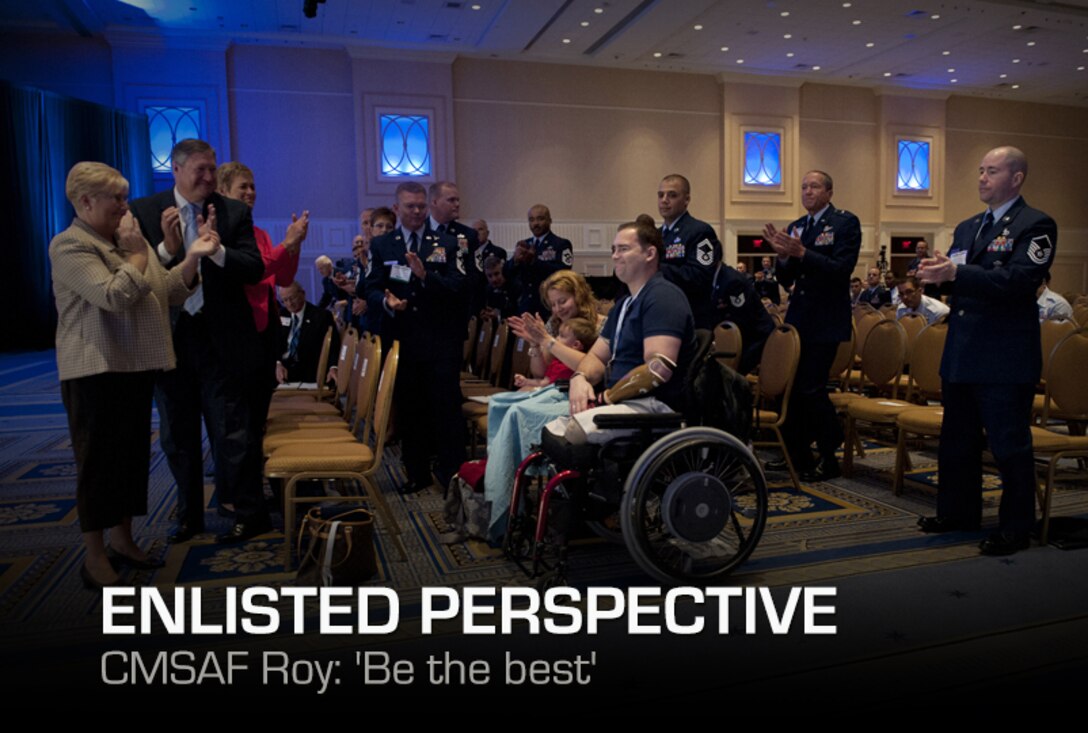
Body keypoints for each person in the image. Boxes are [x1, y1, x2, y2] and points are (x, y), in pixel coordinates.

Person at [50, 161, 218, 587]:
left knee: (129, 462)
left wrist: (192, 259)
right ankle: (94, 556)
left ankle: (123, 540)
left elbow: (167, 290)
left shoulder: (125, 243)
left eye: (125, 197)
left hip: (133, 366)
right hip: (94, 371)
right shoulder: (70, 246)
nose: (125, 207)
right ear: (86, 201)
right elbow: (115, 296)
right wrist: (141, 254)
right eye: (117, 199)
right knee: (97, 464)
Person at [917, 145, 1057, 556]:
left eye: (991, 171)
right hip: (963, 349)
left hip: (1003, 356)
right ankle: (958, 513)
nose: (981, 177)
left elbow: (1018, 279)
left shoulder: (1036, 225)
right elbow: (959, 281)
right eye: (980, 170)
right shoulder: (967, 227)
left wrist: (957, 272)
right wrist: (935, 275)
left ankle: (1016, 527)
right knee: (956, 441)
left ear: (1016, 178)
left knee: (1008, 445)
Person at [129, 138, 267, 544]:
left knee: (232, 432)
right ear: (176, 170)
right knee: (178, 436)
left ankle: (249, 512)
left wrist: (218, 250)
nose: (208, 177)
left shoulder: (233, 212)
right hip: (170, 339)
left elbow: (254, 267)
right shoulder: (144, 211)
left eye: (212, 169)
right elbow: (140, 273)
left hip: (220, 340)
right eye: (200, 170)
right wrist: (168, 251)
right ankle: (189, 516)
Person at [216, 161, 308, 517]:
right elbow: (253, 270)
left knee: (255, 422)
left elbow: (282, 275)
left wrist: (294, 245)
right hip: (236, 335)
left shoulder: (258, 234)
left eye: (252, 186)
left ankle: (250, 493)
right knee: (238, 426)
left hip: (262, 334)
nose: (251, 193)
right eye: (243, 187)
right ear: (224, 191)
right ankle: (239, 498)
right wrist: (287, 242)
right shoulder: (222, 232)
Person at [364, 181, 466, 494]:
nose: (417, 212)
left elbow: (458, 287)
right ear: (397, 209)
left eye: (421, 206)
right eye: (410, 206)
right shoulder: (383, 245)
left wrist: (425, 276)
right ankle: (417, 472)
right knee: (411, 411)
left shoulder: (446, 243)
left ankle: (453, 475)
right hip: (403, 341)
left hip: (441, 343)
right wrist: (386, 301)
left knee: (446, 410)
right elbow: (367, 287)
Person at [483, 270, 601, 535]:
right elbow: (540, 372)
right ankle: (510, 490)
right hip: (553, 388)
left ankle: (510, 499)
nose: (558, 309)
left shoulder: (600, 325)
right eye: (554, 304)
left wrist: (547, 341)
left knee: (516, 412)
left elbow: (588, 368)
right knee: (499, 403)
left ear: (579, 296)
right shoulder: (553, 325)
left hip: (583, 397)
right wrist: (534, 344)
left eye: (563, 301)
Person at [763, 169, 861, 481]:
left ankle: (830, 451)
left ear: (829, 192)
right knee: (790, 388)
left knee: (811, 387)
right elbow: (788, 280)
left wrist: (803, 253)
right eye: (804, 186)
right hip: (799, 319)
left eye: (814, 186)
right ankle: (798, 453)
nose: (807, 191)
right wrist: (783, 259)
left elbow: (841, 269)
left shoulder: (845, 223)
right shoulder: (797, 226)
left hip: (826, 319)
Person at [561, 220, 696, 437]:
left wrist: (608, 397)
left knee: (568, 431)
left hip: (652, 406)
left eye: (623, 249)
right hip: (622, 402)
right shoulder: (624, 304)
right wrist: (579, 378)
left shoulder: (663, 297)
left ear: (650, 253)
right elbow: (595, 357)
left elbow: (658, 368)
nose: (615, 256)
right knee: (524, 413)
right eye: (613, 250)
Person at [656, 174, 722, 329]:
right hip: (660, 313)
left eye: (672, 195)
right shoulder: (655, 235)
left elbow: (700, 276)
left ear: (686, 200)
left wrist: (655, 268)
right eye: (661, 195)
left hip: (689, 318)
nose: (664, 200)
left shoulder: (701, 232)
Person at [711, 263, 776, 375]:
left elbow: (741, 319)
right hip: (744, 332)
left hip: (757, 336)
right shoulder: (718, 277)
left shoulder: (733, 281)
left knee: (727, 373)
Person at [508, 204, 573, 315]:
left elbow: (563, 272)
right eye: (531, 220)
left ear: (549, 220)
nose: (535, 224)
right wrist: (515, 260)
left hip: (548, 306)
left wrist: (534, 262)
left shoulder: (561, 244)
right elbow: (507, 273)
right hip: (525, 305)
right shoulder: (524, 245)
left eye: (540, 219)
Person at [276, 281, 340, 384]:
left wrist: (333, 367)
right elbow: (273, 344)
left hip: (309, 373)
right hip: (282, 370)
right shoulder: (280, 315)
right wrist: (277, 363)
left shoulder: (321, 316)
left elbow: (334, 345)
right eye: (285, 300)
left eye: (292, 298)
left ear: (303, 294)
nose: (289, 303)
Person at [512, 317, 596, 390]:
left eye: (562, 336)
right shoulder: (556, 361)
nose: (556, 338)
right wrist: (526, 381)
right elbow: (544, 382)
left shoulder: (578, 367)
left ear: (576, 345)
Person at [480, 255, 521, 322]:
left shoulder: (516, 287)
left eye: (496, 274)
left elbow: (520, 314)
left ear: (503, 271)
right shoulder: (488, 289)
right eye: (489, 276)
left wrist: (499, 315)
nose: (494, 279)